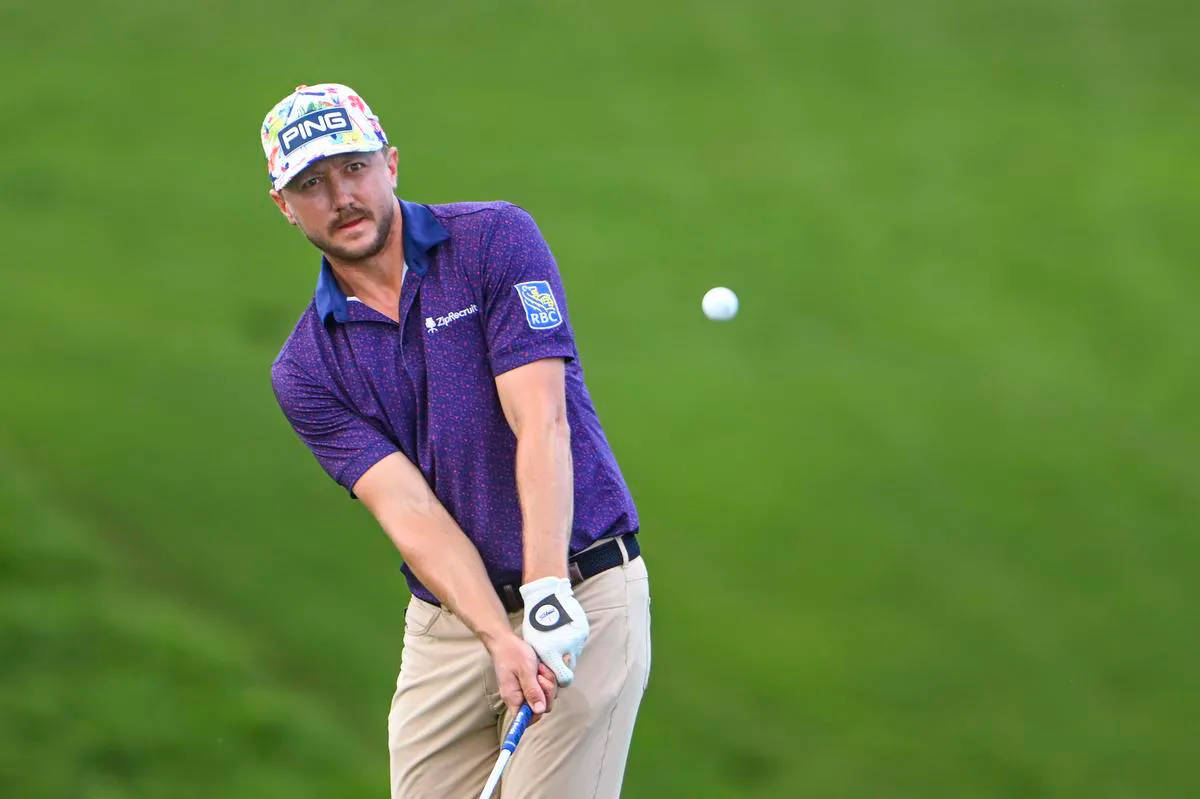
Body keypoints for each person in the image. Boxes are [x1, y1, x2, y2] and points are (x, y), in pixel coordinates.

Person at [261, 83, 650, 798]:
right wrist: (498, 636)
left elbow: (541, 421)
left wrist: (545, 595)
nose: (340, 196)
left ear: (391, 164)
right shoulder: (306, 368)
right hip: (449, 624)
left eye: (353, 168)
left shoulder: (493, 240)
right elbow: (409, 511)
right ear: (285, 206)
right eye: (311, 183)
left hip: (581, 586)